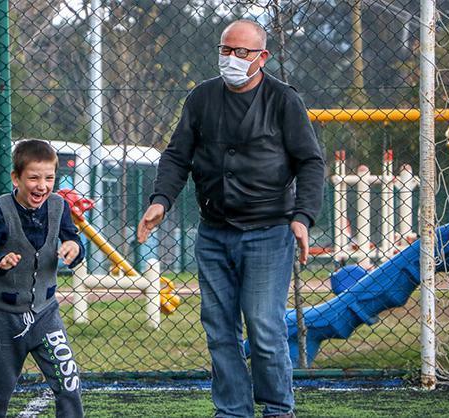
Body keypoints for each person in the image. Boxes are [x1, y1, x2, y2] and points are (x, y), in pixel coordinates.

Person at [137, 19, 325, 418]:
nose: (232, 59)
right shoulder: (202, 98)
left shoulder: (283, 100)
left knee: (263, 327)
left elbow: (310, 162)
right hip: (214, 232)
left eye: (242, 52)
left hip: (269, 231)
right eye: (226, 50)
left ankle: (277, 409)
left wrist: (302, 217)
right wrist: (161, 200)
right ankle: (233, 411)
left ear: (262, 57)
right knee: (220, 330)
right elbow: (176, 154)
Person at [0, 139, 85, 418]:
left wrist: (75, 248)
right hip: (5, 316)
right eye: (33, 178)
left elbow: (73, 241)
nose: (42, 186)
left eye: (49, 178)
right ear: (16, 178)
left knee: (69, 383)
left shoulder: (59, 207)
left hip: (46, 313)